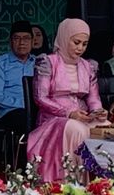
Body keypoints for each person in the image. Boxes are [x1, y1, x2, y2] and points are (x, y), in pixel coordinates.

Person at [26, 18, 105, 182]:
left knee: (105, 127)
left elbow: (93, 98)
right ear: (64, 37)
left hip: (82, 116)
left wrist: (98, 112)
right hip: (53, 118)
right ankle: (76, 182)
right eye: (76, 42)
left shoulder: (88, 66)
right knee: (77, 129)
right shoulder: (48, 62)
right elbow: (40, 98)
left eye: (84, 44)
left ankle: (102, 183)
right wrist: (69, 113)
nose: (80, 48)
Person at [0, 20, 39, 132]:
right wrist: (25, 104)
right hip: (10, 113)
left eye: (26, 38)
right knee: (23, 117)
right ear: (10, 42)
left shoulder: (39, 63)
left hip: (37, 111)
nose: (21, 42)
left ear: (32, 41)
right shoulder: (0, 63)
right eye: (17, 38)